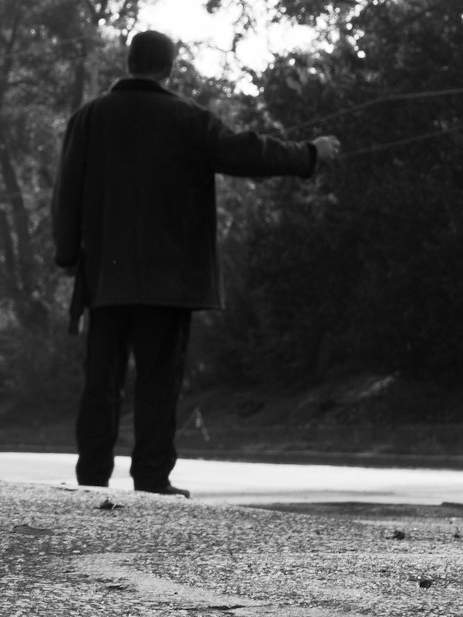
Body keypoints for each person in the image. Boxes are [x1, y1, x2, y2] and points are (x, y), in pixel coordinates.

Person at [51, 30, 340, 496]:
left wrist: (67, 255)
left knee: (101, 380)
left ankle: (92, 477)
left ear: (128, 62)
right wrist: (308, 155)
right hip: (170, 282)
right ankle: (150, 477)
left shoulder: (88, 119)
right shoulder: (188, 120)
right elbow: (248, 152)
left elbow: (65, 195)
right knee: (158, 382)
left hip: (107, 276)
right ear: (169, 67)